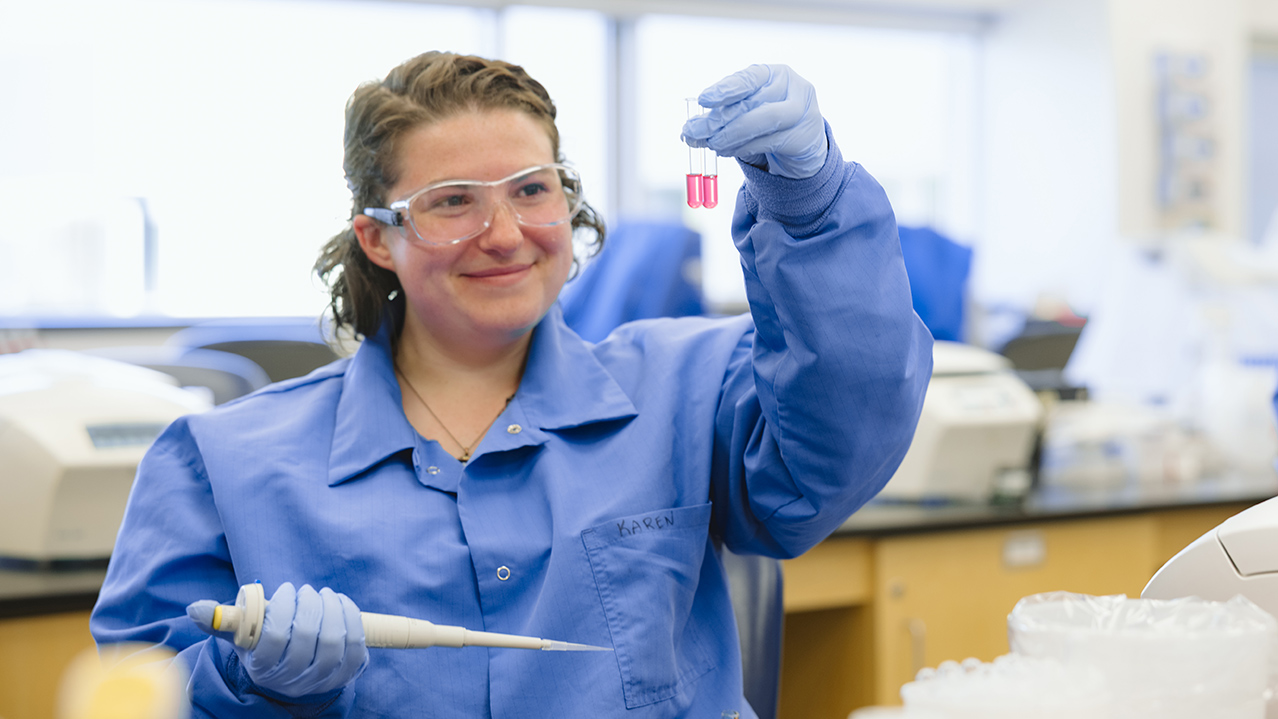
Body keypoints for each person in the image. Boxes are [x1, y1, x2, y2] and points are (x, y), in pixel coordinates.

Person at [90, 53, 933, 718]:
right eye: (452, 201)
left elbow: (845, 431)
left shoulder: (687, 386)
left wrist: (811, 200)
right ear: (378, 240)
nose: (504, 234)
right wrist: (248, 680)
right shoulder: (221, 461)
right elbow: (133, 688)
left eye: (533, 189)